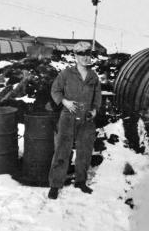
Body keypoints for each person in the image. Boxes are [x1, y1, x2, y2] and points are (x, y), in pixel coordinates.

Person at [48, 41, 102, 199]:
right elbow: (55, 90)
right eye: (82, 54)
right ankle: (55, 185)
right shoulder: (66, 74)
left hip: (87, 119)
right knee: (62, 151)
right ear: (76, 56)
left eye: (88, 54)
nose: (86, 57)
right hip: (68, 117)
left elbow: (97, 97)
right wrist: (65, 101)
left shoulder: (93, 76)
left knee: (84, 151)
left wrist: (94, 111)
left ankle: (81, 181)